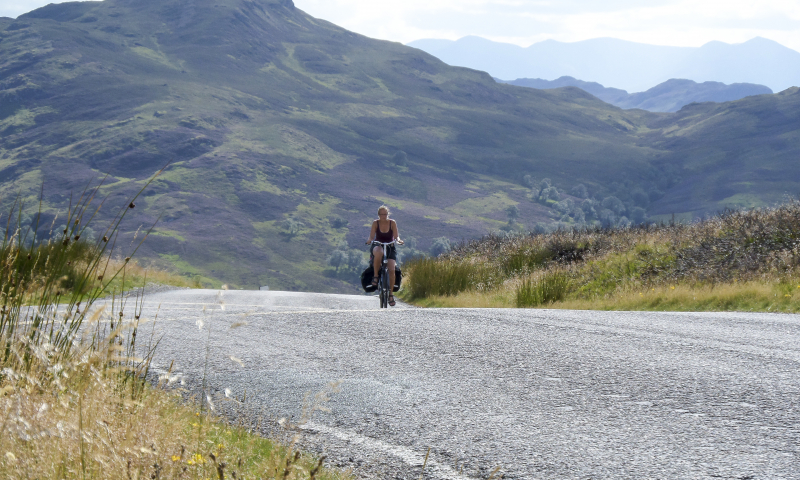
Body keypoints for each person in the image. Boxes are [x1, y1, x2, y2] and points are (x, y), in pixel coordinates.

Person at [365, 205, 404, 306]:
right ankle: (376, 276)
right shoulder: (375, 223)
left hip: (390, 246)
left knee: (391, 269)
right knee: (379, 252)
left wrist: (399, 240)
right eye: (382, 214)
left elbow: (396, 236)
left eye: (385, 214)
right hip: (378, 245)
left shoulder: (392, 223)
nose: (383, 216)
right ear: (378, 215)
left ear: (388, 214)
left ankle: (390, 294)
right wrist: (369, 240)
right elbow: (371, 236)